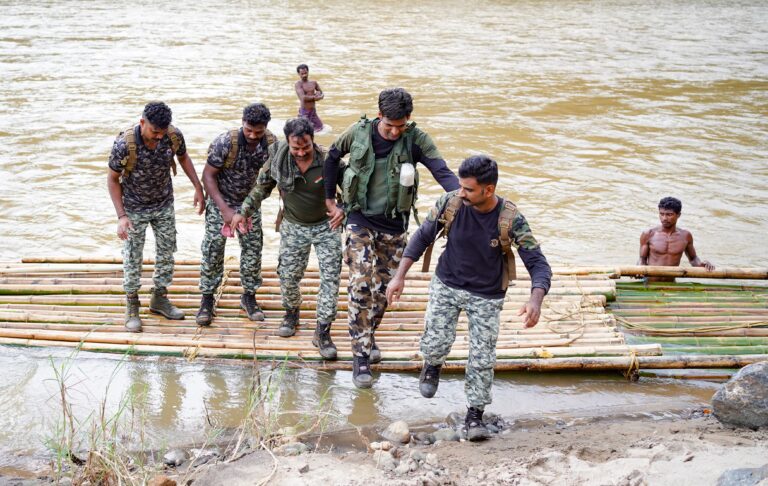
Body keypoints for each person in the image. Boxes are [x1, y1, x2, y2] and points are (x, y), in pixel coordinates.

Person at [386, 155, 552, 441]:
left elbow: (538, 264)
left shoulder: (510, 219)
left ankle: (475, 415)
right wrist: (399, 275)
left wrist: (535, 300)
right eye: (460, 187)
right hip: (446, 283)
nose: (461, 193)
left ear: (488, 190)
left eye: (468, 189)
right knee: (436, 342)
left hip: (486, 295)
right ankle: (433, 365)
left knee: (482, 357)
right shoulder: (450, 203)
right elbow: (422, 237)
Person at [323, 87, 459, 388]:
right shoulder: (357, 133)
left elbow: (441, 170)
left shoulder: (416, 139)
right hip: (359, 219)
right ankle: (360, 357)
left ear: (408, 120)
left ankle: (368, 337)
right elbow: (332, 157)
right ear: (379, 115)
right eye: (389, 126)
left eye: (401, 126)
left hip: (395, 226)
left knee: (384, 291)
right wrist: (329, 200)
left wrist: (462, 196)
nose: (395, 132)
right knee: (361, 282)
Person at [230, 117, 344, 359]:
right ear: (288, 144)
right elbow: (261, 188)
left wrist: (343, 209)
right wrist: (243, 212)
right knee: (288, 276)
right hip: (294, 226)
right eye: (296, 148)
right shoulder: (279, 159)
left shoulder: (329, 161)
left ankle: (323, 331)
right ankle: (292, 313)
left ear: (313, 141)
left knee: (331, 279)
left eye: (306, 147)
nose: (301, 152)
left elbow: (353, 189)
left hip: (326, 226)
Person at [107, 101, 205, 332]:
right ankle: (132, 305)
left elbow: (183, 158)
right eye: (154, 132)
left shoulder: (173, 136)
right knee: (133, 256)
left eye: (162, 132)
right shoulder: (125, 144)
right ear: (142, 123)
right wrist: (121, 216)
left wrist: (198, 187)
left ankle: (159, 298)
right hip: (133, 207)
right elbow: (112, 179)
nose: (158, 137)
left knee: (167, 252)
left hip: (163, 203)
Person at [196, 103, 277, 326]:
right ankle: (207, 299)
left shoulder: (272, 144)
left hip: (250, 204)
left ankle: (249, 297)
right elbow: (208, 176)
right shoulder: (225, 143)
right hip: (221, 201)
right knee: (213, 250)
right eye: (248, 130)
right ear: (243, 123)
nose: (252, 135)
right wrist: (224, 211)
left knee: (253, 250)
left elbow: (276, 178)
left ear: (265, 128)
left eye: (257, 132)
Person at [639, 196, 715, 282]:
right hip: (650, 282)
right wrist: (638, 271)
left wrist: (702, 264)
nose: (664, 218)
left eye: (669, 214)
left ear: (678, 215)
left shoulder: (686, 236)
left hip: (671, 284)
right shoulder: (649, 234)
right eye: (661, 214)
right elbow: (642, 259)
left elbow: (693, 259)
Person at [295, 64, 324, 132]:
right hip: (304, 112)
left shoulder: (313, 83)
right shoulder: (298, 84)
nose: (304, 75)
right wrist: (315, 98)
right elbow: (303, 98)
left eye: (305, 73)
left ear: (308, 72)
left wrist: (321, 96)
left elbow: (321, 92)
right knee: (303, 131)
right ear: (299, 74)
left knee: (320, 128)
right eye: (302, 74)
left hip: (313, 111)